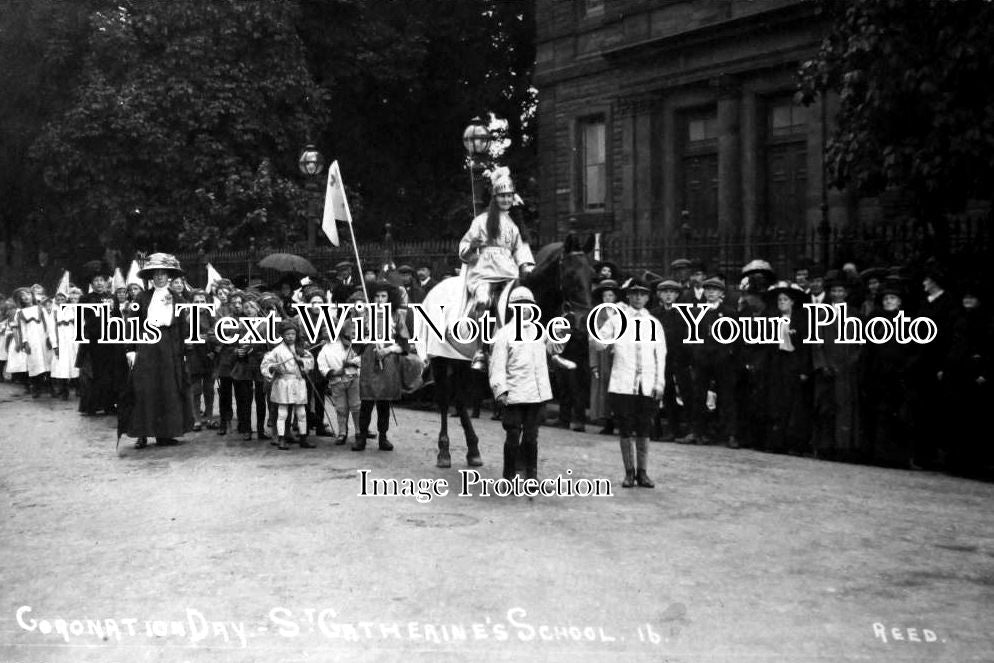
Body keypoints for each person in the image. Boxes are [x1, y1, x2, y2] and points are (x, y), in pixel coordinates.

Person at [592, 278, 667, 489]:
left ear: (648, 297)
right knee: (625, 428)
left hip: (647, 383)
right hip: (622, 383)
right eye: (634, 293)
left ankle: (643, 473)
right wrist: (596, 335)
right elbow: (600, 342)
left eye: (642, 294)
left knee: (644, 428)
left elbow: (660, 354)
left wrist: (659, 383)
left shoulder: (653, 323)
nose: (638, 297)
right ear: (628, 296)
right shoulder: (617, 320)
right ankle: (629, 472)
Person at [458, 170, 535, 370]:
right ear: (495, 197)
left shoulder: (515, 224)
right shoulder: (481, 221)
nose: (506, 199)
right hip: (485, 273)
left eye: (509, 195)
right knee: (483, 300)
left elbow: (521, 249)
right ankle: (480, 350)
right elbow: (464, 250)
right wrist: (473, 246)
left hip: (509, 273)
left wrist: (526, 265)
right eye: (502, 196)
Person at [125, 253, 195, 448]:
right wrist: (130, 349)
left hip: (169, 346)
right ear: (151, 277)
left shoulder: (177, 298)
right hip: (147, 343)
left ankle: (165, 433)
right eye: (155, 274)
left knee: (167, 388)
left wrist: (184, 350)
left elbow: (183, 326)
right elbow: (132, 323)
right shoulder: (142, 297)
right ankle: (142, 433)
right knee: (144, 388)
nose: (159, 277)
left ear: (169, 277)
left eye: (163, 274)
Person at [489, 286, 553, 481]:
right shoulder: (505, 334)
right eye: (519, 306)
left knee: (531, 437)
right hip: (514, 395)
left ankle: (531, 476)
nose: (523, 310)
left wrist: (563, 331)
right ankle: (508, 477)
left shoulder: (540, 332)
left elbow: (552, 349)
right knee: (513, 435)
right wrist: (500, 390)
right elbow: (497, 366)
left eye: (527, 306)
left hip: (535, 394)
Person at [354, 281, 410, 452]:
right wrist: (366, 337)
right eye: (377, 296)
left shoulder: (396, 316)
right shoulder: (365, 315)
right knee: (366, 402)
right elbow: (356, 342)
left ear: (389, 298)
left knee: (384, 402)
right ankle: (361, 437)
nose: (380, 300)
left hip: (388, 361)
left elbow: (404, 343)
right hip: (369, 360)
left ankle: (383, 437)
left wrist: (387, 350)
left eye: (383, 296)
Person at [765, 281, 813, 455]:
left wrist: (803, 370)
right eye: (779, 300)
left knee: (794, 404)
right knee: (777, 402)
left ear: (792, 302)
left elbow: (805, 347)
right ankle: (777, 441)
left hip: (793, 363)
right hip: (777, 364)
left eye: (785, 299)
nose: (782, 302)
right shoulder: (773, 319)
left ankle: (794, 443)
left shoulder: (800, 321)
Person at [261, 319, 315, 450]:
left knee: (301, 412)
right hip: (283, 382)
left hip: (298, 382)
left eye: (293, 334)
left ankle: (303, 438)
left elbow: (310, 362)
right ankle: (282, 439)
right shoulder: (277, 350)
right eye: (287, 334)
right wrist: (274, 368)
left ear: (296, 335)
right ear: (282, 335)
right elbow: (265, 364)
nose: (290, 336)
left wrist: (301, 361)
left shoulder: (301, 349)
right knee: (282, 412)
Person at [318, 314, 362, 447]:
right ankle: (342, 432)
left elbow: (360, 357)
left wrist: (351, 362)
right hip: (337, 382)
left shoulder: (348, 344)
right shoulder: (324, 349)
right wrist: (335, 372)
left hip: (352, 379)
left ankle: (359, 431)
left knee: (356, 406)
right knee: (341, 408)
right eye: (325, 330)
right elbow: (322, 366)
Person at [231, 300, 270, 441]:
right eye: (246, 307)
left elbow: (270, 346)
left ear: (257, 309)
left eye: (252, 307)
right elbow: (232, 346)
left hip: (259, 366)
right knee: (245, 400)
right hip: (244, 367)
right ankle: (247, 429)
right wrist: (237, 351)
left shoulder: (265, 325)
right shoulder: (239, 326)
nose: (248, 310)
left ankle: (261, 430)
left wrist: (261, 351)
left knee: (261, 400)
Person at [589, 279, 621, 435]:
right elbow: (592, 340)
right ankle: (608, 423)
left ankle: (621, 423)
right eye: (605, 296)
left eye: (611, 295)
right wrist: (593, 363)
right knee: (604, 390)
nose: (608, 299)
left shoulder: (623, 313)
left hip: (619, 356)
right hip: (602, 357)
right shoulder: (596, 315)